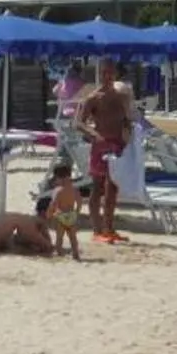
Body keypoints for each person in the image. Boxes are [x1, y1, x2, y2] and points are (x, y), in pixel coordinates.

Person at [77, 60, 136, 245]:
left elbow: (128, 119)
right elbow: (79, 123)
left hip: (118, 144)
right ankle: (97, 230)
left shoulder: (121, 97)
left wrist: (129, 134)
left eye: (111, 72)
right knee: (98, 187)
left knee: (114, 187)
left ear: (115, 74)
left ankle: (109, 228)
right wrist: (95, 135)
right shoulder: (94, 97)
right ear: (100, 74)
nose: (108, 76)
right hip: (101, 145)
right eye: (105, 72)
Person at [43, 158, 83, 260]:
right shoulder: (75, 190)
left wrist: (49, 213)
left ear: (59, 178)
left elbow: (53, 204)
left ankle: (59, 252)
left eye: (56, 178)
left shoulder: (58, 191)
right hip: (71, 215)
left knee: (59, 236)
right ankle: (75, 253)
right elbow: (79, 202)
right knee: (73, 237)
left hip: (61, 215)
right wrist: (77, 211)